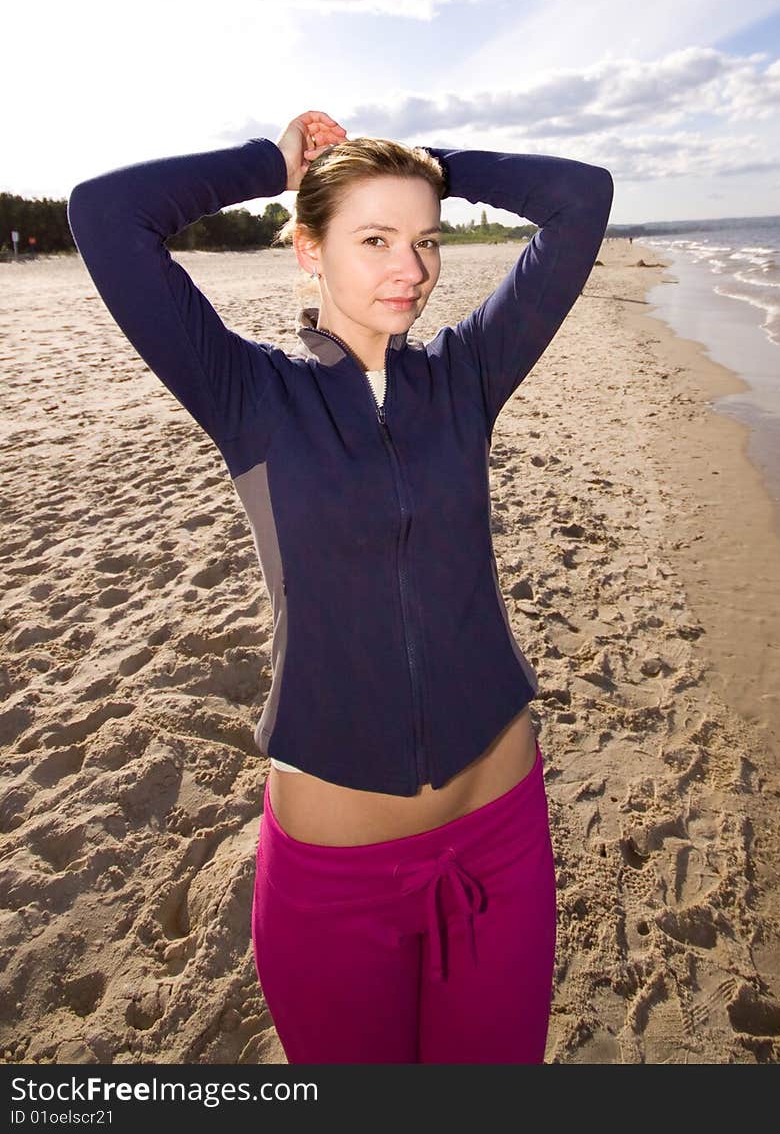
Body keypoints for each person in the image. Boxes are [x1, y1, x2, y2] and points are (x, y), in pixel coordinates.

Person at [67, 110, 614, 1064]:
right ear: (307, 250)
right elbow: (107, 215)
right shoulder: (249, 394)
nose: (412, 267)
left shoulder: (466, 375)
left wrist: (441, 161)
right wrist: (273, 162)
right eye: (375, 240)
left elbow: (581, 201)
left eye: (426, 239)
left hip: (501, 840)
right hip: (336, 877)